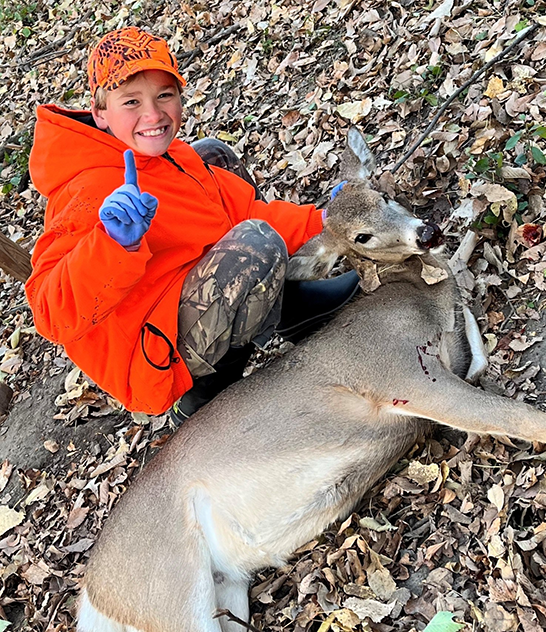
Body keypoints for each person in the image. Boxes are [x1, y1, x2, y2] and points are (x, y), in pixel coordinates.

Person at [25, 26, 358, 422]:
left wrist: (324, 220)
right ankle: (204, 396)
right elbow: (50, 313)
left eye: (164, 95)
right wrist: (113, 244)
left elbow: (243, 211)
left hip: (184, 289)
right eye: (130, 102)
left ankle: (293, 306)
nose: (153, 115)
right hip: (153, 356)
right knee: (257, 244)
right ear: (100, 114)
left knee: (215, 156)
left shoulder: (174, 156)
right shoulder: (89, 191)